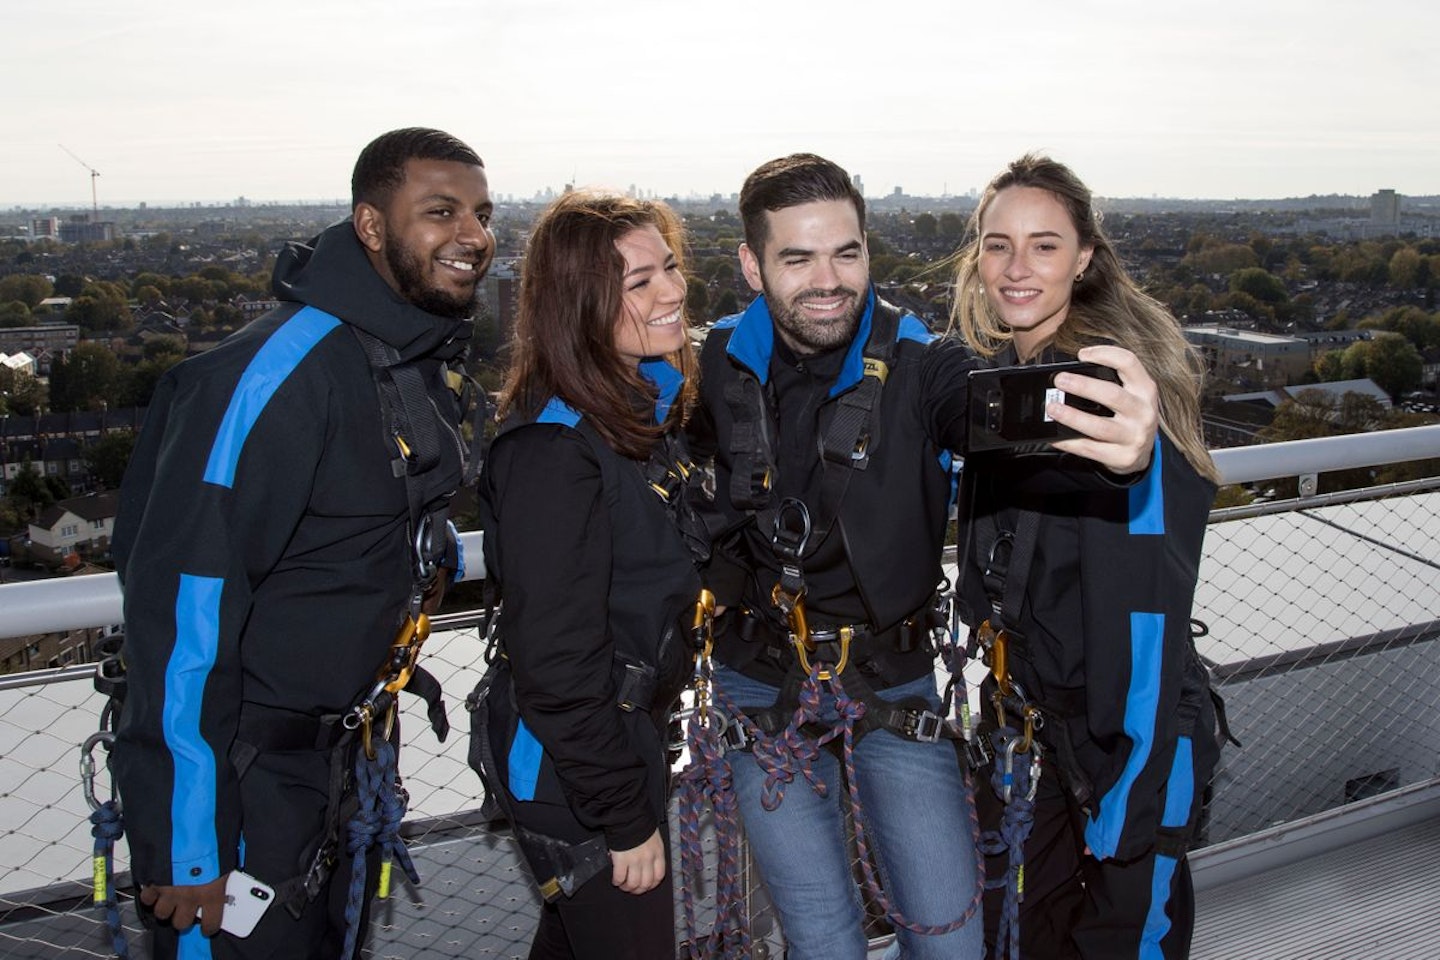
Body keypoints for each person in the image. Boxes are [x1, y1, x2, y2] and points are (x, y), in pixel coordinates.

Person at [685, 153, 1160, 960]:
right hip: (758, 680)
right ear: (751, 265)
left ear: (869, 250)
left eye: (847, 252)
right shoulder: (716, 362)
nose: (828, 280)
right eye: (797, 258)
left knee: (949, 937)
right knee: (823, 940)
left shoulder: (920, 364)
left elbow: (983, 408)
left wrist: (1098, 434)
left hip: (891, 677)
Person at [111, 127, 495, 959]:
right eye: (440, 212)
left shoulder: (398, 361)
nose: (474, 236)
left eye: (482, 213)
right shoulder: (270, 379)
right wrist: (190, 848)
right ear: (368, 225)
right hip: (248, 796)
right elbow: (185, 616)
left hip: (341, 772)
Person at [949, 153, 1224, 960]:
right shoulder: (1004, 384)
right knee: (1031, 935)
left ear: (1085, 257)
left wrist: (1132, 787)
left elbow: (1146, 620)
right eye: (998, 245)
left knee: (1120, 940)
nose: (1016, 267)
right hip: (1040, 726)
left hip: (1129, 734)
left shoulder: (1114, 396)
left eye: (1044, 244)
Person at [470, 190, 706, 960]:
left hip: (607, 742)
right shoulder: (554, 452)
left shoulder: (624, 421)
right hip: (579, 766)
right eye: (638, 283)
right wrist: (622, 817)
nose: (671, 291)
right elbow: (556, 664)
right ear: (580, 303)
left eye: (668, 267)